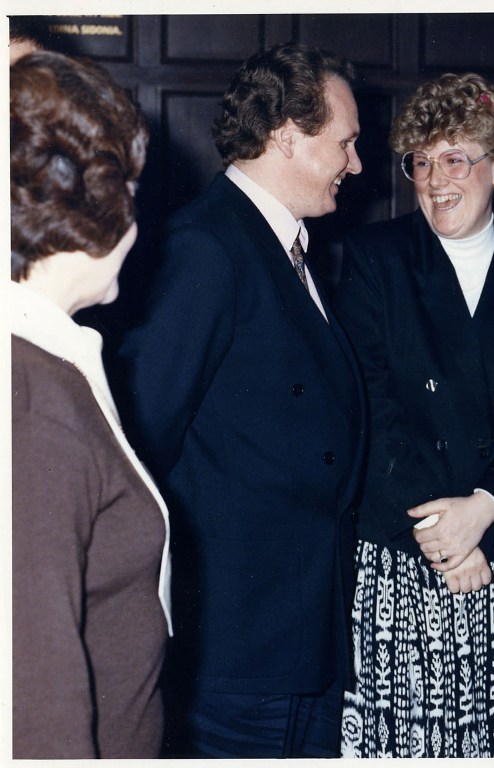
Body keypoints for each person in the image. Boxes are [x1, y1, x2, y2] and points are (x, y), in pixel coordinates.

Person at [113, 43, 365, 758]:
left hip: (298, 635)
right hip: (238, 648)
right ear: (287, 135)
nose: (355, 165)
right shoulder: (207, 247)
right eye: (344, 143)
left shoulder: (288, 246)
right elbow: (141, 447)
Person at [334, 72, 494, 757]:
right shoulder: (375, 259)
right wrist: (444, 532)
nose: (435, 180)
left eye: (455, 159)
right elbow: (370, 404)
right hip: (403, 546)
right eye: (420, 161)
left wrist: (485, 509)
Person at [10, 50, 171, 758]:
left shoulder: (44, 359)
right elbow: (34, 702)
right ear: (96, 206)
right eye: (131, 188)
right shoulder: (29, 403)